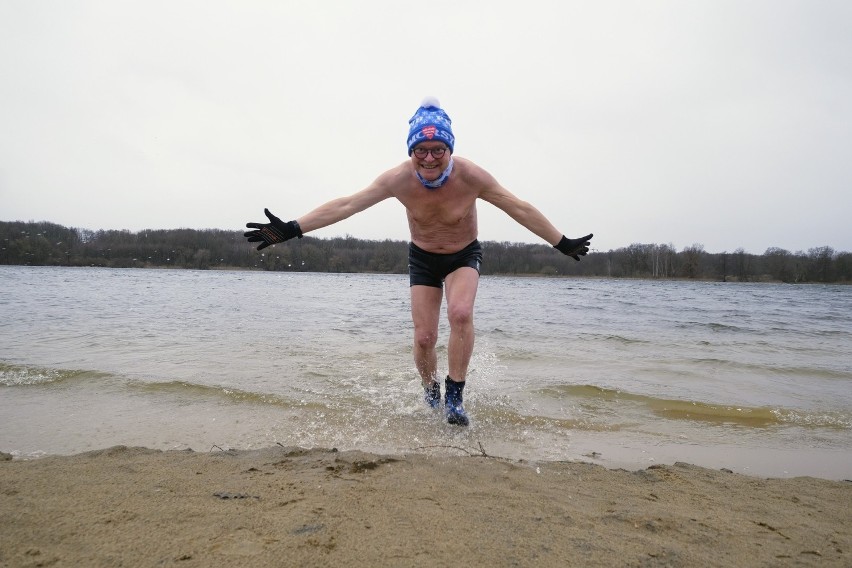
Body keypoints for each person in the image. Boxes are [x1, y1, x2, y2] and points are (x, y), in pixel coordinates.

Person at [245, 97, 592, 427]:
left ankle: (455, 396)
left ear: (449, 149)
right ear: (411, 151)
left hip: (463, 255)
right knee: (425, 336)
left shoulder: (471, 177)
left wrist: (560, 242)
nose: (429, 158)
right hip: (423, 257)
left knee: (460, 314)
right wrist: (291, 228)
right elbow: (347, 205)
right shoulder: (398, 179)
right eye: (420, 151)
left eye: (437, 150)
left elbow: (518, 207)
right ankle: (431, 393)